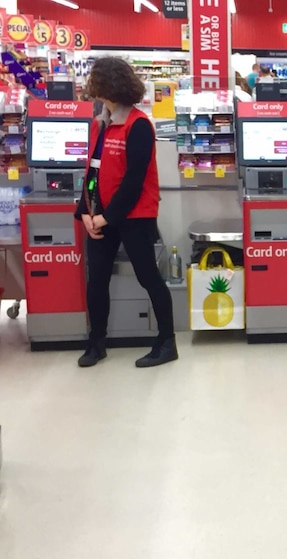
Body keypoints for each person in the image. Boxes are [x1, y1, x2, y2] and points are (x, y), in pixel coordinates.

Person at [74, 57, 178, 369]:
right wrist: (85, 212)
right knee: (97, 280)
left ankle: (167, 341)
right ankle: (97, 343)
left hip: (133, 215)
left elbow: (134, 182)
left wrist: (106, 217)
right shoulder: (99, 124)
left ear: (105, 85)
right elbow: (92, 170)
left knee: (149, 277)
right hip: (100, 214)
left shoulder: (139, 125)